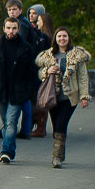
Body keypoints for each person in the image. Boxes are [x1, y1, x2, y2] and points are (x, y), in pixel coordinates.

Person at [35, 27, 92, 168]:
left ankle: (56, 158)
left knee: (61, 124)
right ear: (55, 39)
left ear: (68, 38)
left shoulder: (77, 55)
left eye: (64, 36)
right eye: (59, 36)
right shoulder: (49, 55)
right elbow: (40, 73)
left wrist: (84, 96)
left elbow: (83, 77)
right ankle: (60, 153)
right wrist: (47, 71)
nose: (62, 39)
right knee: (56, 127)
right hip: (52, 95)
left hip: (69, 96)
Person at [0, 17, 37, 164]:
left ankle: (6, 151)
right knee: (7, 124)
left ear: (18, 29)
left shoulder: (25, 48)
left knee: (11, 123)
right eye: (8, 28)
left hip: (18, 91)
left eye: (14, 28)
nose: (11, 31)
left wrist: (28, 89)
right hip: (0, 90)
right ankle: (9, 147)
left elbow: (31, 71)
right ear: (4, 28)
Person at [3, 0, 37, 139]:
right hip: (25, 65)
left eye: (15, 9)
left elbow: (19, 45)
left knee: (25, 100)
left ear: (20, 11)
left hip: (23, 66)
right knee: (25, 100)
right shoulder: (22, 23)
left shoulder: (22, 25)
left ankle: (25, 129)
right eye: (10, 10)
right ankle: (25, 128)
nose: (12, 12)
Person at [29, 8, 53, 137]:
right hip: (40, 72)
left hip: (42, 73)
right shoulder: (42, 36)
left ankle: (41, 128)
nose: (37, 23)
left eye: (39, 20)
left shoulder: (46, 38)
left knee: (41, 100)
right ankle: (40, 126)